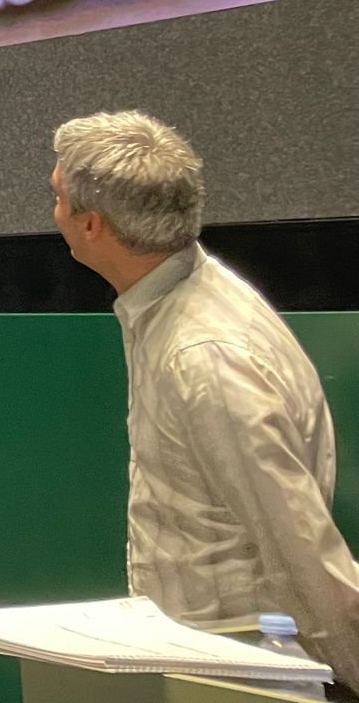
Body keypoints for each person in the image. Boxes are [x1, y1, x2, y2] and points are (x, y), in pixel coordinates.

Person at [51, 110, 359, 688]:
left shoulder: (203, 356)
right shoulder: (179, 299)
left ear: (91, 224)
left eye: (58, 199)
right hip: (211, 656)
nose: (52, 215)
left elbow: (301, 549)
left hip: (242, 669)